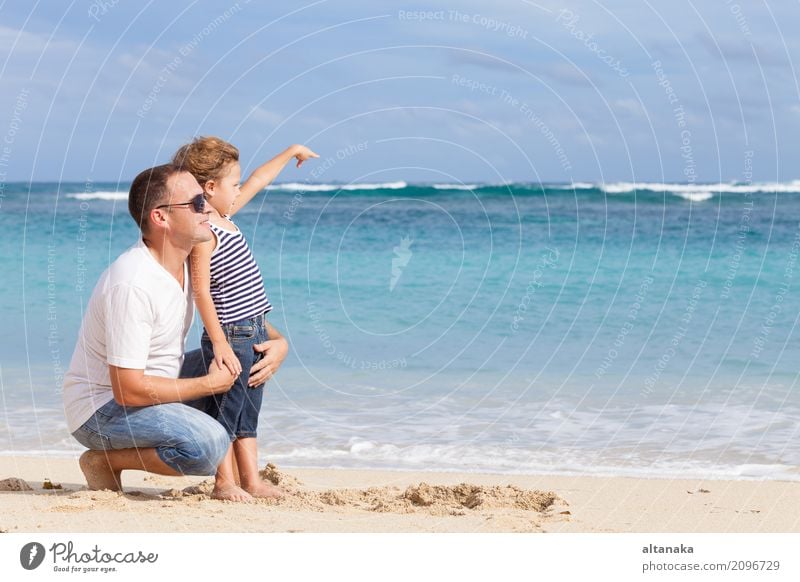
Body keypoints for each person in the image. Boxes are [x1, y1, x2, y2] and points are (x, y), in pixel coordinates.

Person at [62, 164, 280, 492]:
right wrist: (208, 384)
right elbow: (128, 390)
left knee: (245, 357)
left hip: (155, 386)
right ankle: (105, 459)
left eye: (204, 198)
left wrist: (277, 342)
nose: (207, 207)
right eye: (195, 204)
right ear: (161, 218)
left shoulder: (186, 263)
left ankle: (242, 479)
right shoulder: (133, 283)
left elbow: (237, 312)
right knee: (206, 444)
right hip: (102, 410)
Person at [173, 137, 317, 501]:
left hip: (253, 329)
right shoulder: (206, 231)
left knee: (248, 414)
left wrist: (290, 151)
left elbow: (258, 179)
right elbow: (202, 291)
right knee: (226, 410)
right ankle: (223, 482)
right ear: (209, 188)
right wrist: (218, 342)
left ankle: (251, 480)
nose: (239, 189)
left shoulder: (226, 214)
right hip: (231, 336)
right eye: (232, 184)